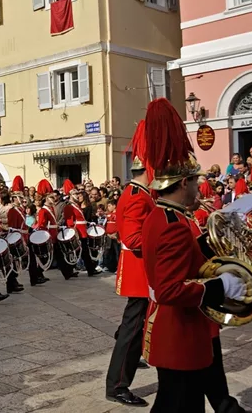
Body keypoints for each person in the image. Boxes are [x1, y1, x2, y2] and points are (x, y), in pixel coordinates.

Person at [141, 98, 250, 412]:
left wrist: (212, 243)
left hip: (180, 333)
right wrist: (223, 285)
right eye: (197, 182)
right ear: (184, 182)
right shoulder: (172, 223)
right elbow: (170, 288)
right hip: (181, 333)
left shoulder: (165, 216)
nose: (199, 189)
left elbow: (182, 256)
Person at [105, 120, 154, 407]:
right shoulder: (137, 196)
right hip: (139, 272)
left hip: (141, 271)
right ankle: (118, 384)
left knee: (134, 328)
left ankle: (129, 366)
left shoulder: (141, 194)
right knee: (131, 330)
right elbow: (135, 238)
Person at [63, 187, 100, 277]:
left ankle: (86, 270)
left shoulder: (76, 205)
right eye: (75, 194)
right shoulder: (69, 207)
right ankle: (87, 270)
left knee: (82, 251)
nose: (78, 196)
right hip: (77, 231)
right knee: (78, 251)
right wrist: (74, 232)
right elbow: (70, 222)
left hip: (82, 230)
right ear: (71, 196)